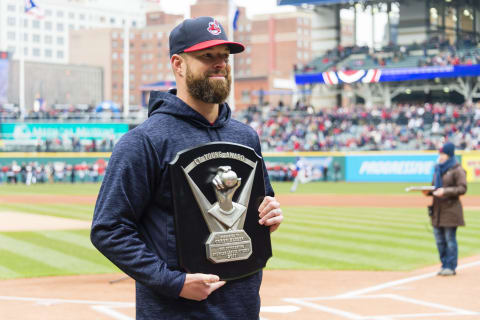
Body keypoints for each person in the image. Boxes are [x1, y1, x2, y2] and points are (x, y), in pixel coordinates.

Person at [90, 16, 283, 319]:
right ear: (178, 64)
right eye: (208, 56)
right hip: (175, 311)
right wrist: (173, 282)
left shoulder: (246, 137)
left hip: (242, 308)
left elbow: (260, 208)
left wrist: (270, 214)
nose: (220, 63)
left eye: (224, 56)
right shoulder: (143, 141)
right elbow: (108, 229)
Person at [423, 142, 466, 276]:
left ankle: (451, 266)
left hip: (451, 210)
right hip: (437, 210)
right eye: (440, 154)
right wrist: (428, 191)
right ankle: (444, 264)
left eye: (442, 154)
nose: (440, 156)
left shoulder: (457, 169)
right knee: (439, 241)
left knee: (450, 239)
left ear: (449, 155)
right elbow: (434, 187)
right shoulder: (438, 169)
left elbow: (462, 188)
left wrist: (445, 191)